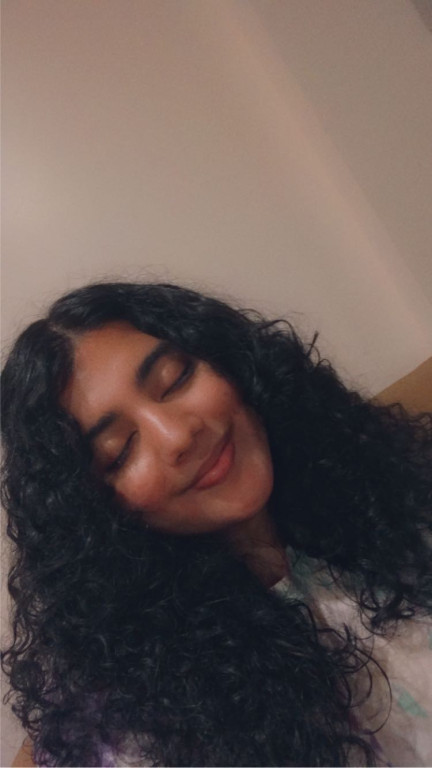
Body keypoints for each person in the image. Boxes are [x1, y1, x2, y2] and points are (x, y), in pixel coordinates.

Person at [1, 281, 431, 768]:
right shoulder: (142, 712)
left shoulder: (389, 491)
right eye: (119, 451)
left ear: (227, 359)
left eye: (175, 379)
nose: (178, 434)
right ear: (96, 511)